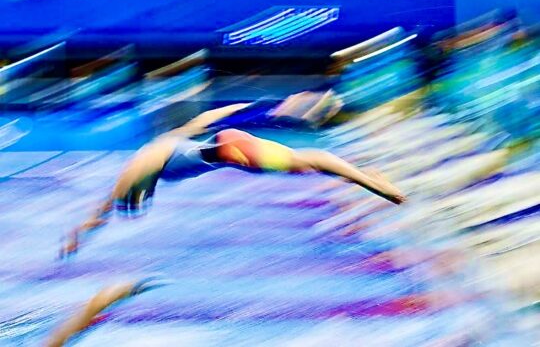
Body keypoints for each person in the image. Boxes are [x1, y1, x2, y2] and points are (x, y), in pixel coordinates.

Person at [60, 99, 406, 257]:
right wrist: (79, 236)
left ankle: (378, 186)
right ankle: (362, 175)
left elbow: (113, 204)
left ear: (135, 196)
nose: (142, 205)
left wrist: (93, 226)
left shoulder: (139, 167)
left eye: (138, 205)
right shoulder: (156, 150)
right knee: (303, 166)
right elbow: (208, 117)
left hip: (228, 152)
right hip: (227, 146)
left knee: (311, 160)